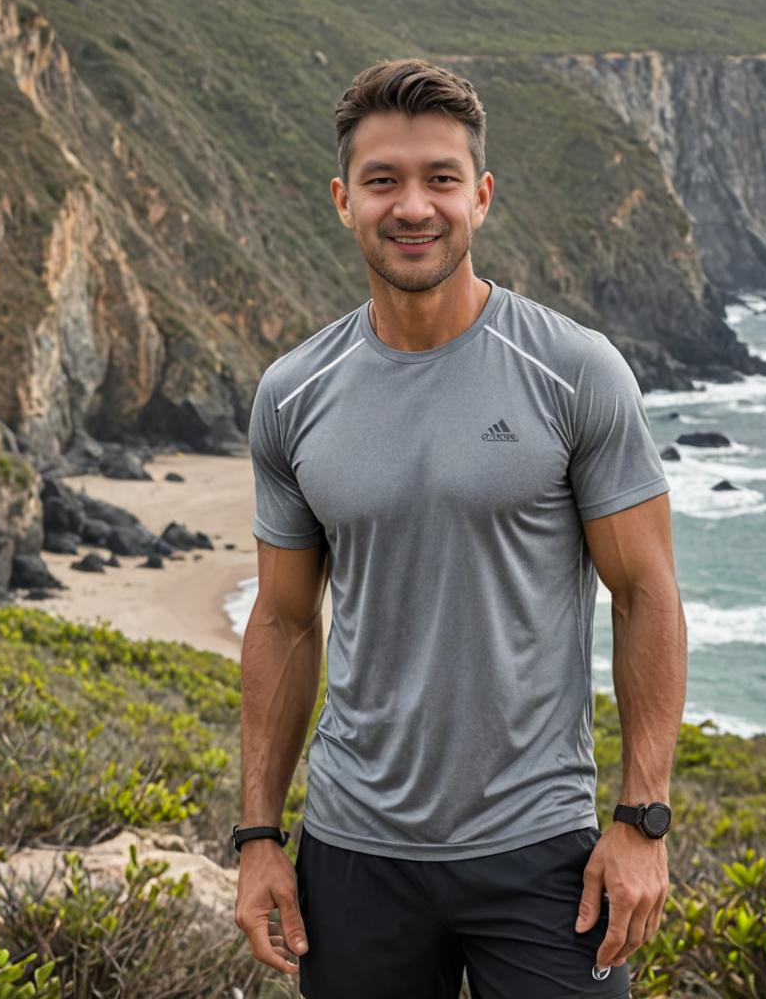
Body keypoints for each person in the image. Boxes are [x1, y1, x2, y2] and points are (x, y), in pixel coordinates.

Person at [234, 57, 688, 999]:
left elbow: (646, 593)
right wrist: (258, 838)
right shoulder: (293, 394)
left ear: (480, 197)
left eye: (440, 179)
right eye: (383, 181)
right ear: (342, 199)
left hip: (545, 857)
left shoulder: (576, 371)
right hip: (354, 854)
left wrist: (641, 822)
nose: (413, 206)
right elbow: (282, 621)